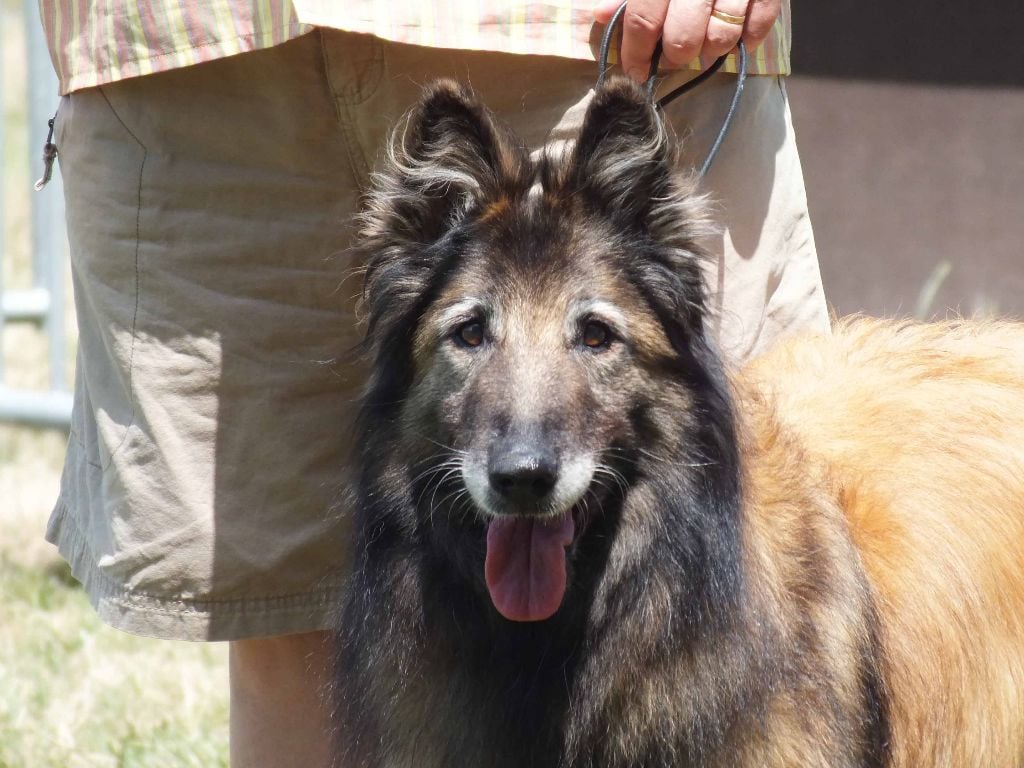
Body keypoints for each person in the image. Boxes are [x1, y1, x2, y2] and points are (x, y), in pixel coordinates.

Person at [37, 1, 828, 765]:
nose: (523, 452)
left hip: (581, 28)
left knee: (767, 573)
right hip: (195, 50)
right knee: (280, 617)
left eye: (593, 335)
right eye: (471, 335)